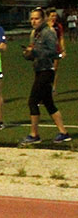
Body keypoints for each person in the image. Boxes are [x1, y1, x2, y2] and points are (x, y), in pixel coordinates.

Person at [20, 8, 72, 145]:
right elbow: (33, 53)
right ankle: (64, 132)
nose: (33, 21)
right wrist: (28, 54)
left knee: (32, 101)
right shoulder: (34, 33)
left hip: (47, 71)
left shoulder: (48, 32)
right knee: (49, 103)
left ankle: (34, 134)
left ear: (43, 19)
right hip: (38, 70)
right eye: (31, 19)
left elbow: (53, 52)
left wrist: (35, 51)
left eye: (36, 18)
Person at [46, 8, 66, 94]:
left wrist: (63, 49)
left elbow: (61, 38)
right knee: (46, 70)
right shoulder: (44, 26)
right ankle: (45, 88)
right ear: (47, 17)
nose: (54, 17)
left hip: (56, 51)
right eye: (52, 16)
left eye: (55, 15)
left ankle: (53, 88)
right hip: (45, 51)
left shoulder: (58, 26)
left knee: (54, 70)